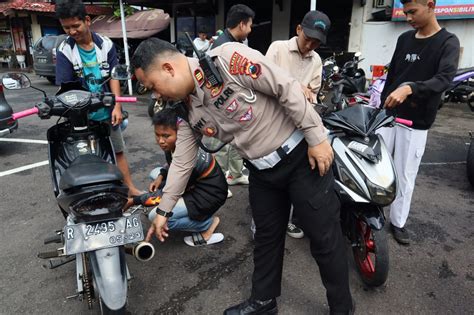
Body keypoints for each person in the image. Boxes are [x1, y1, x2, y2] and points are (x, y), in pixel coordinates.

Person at [131, 38, 353, 314]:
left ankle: (342, 308)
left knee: (324, 238)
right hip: (261, 173)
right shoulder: (185, 109)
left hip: (300, 159)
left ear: (168, 68)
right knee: (266, 240)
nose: (155, 96)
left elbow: (284, 86)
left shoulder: (226, 60)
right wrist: (164, 209)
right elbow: (182, 161)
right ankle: (264, 302)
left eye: (153, 86)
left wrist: (317, 136)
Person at [378, 0, 460, 244]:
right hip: (388, 116)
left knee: (404, 174)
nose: (408, 18)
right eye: (405, 13)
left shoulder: (448, 42)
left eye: (412, 12)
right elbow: (393, 75)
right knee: (378, 169)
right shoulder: (404, 39)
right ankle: (370, 216)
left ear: (431, 5)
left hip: (415, 122)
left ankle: (398, 222)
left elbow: (444, 79)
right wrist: (382, 104)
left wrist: (411, 89)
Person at [54, 0, 141, 196]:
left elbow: (114, 77)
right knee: (85, 157)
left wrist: (117, 106)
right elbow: (67, 87)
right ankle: (92, 196)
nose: (71, 31)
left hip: (107, 112)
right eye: (66, 27)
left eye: (75, 26)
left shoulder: (106, 44)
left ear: (87, 20)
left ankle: (130, 189)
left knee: (117, 151)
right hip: (80, 116)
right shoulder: (64, 51)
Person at [266, 10, 330, 239]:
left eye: (316, 42)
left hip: (299, 126)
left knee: (296, 176)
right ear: (299, 29)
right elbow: (264, 83)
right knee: (269, 177)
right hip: (272, 124)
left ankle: (290, 219)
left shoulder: (316, 60)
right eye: (308, 38)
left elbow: (314, 91)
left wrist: (310, 94)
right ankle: (262, 224)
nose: (310, 44)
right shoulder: (277, 49)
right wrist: (294, 87)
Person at [125, 107, 227, 246]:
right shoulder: (176, 146)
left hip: (208, 196)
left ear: (181, 133)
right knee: (154, 173)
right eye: (157, 135)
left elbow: (171, 192)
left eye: (166, 136)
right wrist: (161, 176)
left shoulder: (190, 157)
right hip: (195, 185)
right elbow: (173, 165)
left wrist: (135, 201)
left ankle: (206, 223)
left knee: (155, 216)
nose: (161, 141)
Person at [210, 4, 256, 197]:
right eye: (250, 25)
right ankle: (219, 184)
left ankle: (236, 174)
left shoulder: (237, 43)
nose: (251, 29)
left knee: (238, 143)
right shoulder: (222, 46)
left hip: (239, 103)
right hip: (222, 104)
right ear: (242, 24)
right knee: (220, 145)